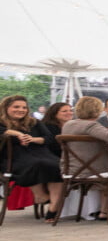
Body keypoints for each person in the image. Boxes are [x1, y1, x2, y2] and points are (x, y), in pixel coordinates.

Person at [61, 97, 108, 218]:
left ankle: (104, 211)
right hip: (93, 171)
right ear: (97, 111)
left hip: (72, 169)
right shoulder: (91, 125)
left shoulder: (68, 125)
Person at [1, 94, 65, 222]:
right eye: (16, 107)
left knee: (59, 166)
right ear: (6, 108)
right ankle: (41, 196)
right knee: (35, 164)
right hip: (13, 158)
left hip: (40, 152)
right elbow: (3, 132)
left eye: (24, 107)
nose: (21, 110)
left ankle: (53, 208)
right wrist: (18, 134)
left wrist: (33, 139)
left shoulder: (34, 122)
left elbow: (49, 139)